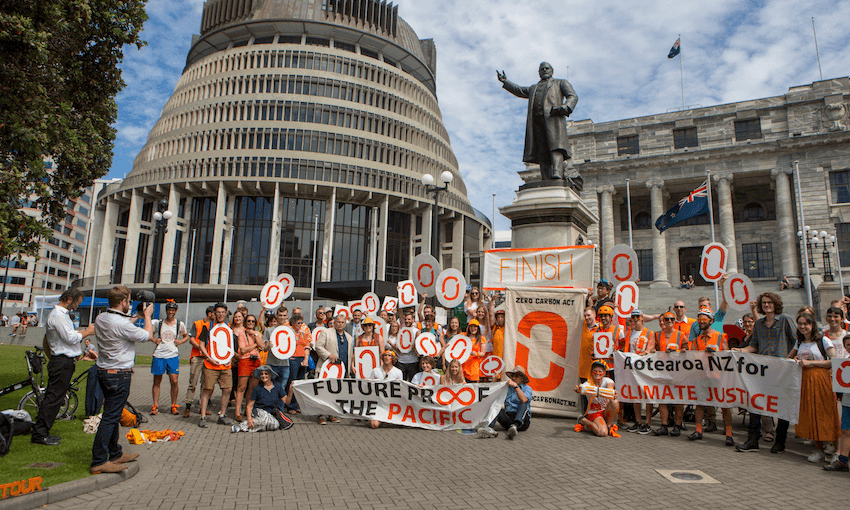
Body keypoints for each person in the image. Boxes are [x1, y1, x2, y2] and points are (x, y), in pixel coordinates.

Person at [90, 286, 153, 474]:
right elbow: (147, 336)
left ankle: (115, 453)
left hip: (104, 371)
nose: (130, 303)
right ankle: (99, 460)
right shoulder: (122, 324)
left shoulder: (101, 318)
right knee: (110, 417)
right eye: (128, 300)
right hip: (119, 374)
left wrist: (136, 315)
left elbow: (121, 324)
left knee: (113, 414)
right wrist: (147, 316)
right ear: (123, 302)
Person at [497, 62, 580, 188]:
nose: (545, 70)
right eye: (542, 69)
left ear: (552, 71)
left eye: (547, 68)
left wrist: (565, 107)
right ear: (539, 72)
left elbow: (572, 96)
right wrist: (506, 82)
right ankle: (546, 176)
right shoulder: (533, 88)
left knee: (556, 146)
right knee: (542, 150)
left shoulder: (560, 83)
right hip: (537, 122)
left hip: (553, 119)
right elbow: (519, 90)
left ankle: (557, 172)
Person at [31, 288, 96, 446]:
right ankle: (40, 434)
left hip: (63, 361)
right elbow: (70, 337)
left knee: (55, 397)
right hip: (62, 361)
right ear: (69, 299)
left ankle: (42, 431)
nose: (76, 307)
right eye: (76, 303)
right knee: (53, 398)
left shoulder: (61, 315)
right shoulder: (58, 315)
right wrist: (87, 332)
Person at [735, 292, 797, 453]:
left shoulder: (785, 320)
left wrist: (790, 359)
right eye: (764, 303)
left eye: (769, 302)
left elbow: (797, 341)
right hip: (763, 370)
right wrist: (739, 351)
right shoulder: (759, 324)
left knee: (782, 405)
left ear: (775, 304)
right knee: (755, 403)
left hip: (782, 370)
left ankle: (780, 441)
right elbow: (753, 346)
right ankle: (753, 438)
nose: (767, 305)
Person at [788, 311, 840, 463]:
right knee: (812, 414)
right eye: (801, 324)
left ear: (812, 325)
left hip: (822, 380)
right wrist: (796, 359)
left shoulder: (823, 341)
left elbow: (834, 361)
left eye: (806, 324)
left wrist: (812, 363)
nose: (803, 327)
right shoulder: (799, 343)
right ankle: (819, 449)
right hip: (805, 381)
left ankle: (837, 450)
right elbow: (788, 358)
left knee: (828, 413)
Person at [688, 308, 734, 445]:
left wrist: (717, 352)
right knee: (700, 404)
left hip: (719, 376)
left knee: (725, 405)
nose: (701, 322)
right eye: (699, 320)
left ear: (711, 321)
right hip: (702, 375)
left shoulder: (720, 336)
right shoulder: (696, 340)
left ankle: (729, 434)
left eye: (704, 319)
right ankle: (698, 430)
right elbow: (692, 357)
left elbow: (728, 354)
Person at [198, 303, 234, 428]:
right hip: (210, 365)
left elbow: (230, 345)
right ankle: (203, 416)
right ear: (214, 313)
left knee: (227, 389)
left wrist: (230, 358)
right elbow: (201, 344)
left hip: (225, 365)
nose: (220, 314)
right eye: (218, 312)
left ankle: (222, 415)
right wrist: (209, 357)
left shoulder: (228, 327)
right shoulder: (207, 326)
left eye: (223, 312)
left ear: (226, 313)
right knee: (207, 390)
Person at [150, 300, 188, 416]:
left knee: (174, 380)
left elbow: (186, 336)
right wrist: (154, 340)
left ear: (175, 311)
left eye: (173, 310)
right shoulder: (159, 323)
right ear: (166, 311)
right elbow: (148, 333)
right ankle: (155, 406)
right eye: (169, 310)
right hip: (159, 355)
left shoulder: (179, 324)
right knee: (157, 381)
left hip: (172, 355)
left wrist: (180, 341)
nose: (170, 312)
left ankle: (174, 405)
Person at [230, 365, 295, 433]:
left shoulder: (278, 386)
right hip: (258, 410)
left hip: (270, 412)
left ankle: (256, 426)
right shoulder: (257, 388)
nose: (263, 376)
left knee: (275, 425)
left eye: (266, 373)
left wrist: (290, 391)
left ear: (270, 375)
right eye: (261, 374)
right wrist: (249, 418)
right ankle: (241, 426)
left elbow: (286, 401)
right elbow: (249, 405)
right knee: (264, 419)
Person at [314, 314, 353, 425]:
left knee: (336, 392)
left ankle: (332, 414)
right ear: (334, 322)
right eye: (338, 322)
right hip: (327, 368)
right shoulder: (326, 332)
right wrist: (328, 355)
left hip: (341, 370)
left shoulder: (349, 337)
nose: (340, 324)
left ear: (345, 324)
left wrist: (349, 369)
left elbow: (350, 354)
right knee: (323, 392)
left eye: (342, 322)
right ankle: (321, 415)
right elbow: (318, 346)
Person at [652, 311, 686, 436]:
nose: (670, 321)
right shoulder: (658, 335)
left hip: (677, 372)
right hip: (662, 371)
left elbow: (688, 348)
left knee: (678, 400)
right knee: (662, 399)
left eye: (672, 319)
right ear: (663, 321)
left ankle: (677, 426)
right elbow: (654, 349)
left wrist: (683, 350)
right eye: (667, 319)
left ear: (675, 321)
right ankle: (664, 425)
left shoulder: (681, 335)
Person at [621, 310, 654, 434]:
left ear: (642, 318)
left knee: (647, 395)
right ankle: (638, 421)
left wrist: (644, 354)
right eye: (633, 317)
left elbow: (651, 348)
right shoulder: (629, 332)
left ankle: (648, 423)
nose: (635, 319)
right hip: (632, 368)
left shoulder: (649, 333)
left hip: (645, 369)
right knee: (635, 395)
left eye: (637, 317)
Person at [477, 366, 533, 439]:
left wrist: (516, 386)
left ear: (522, 378)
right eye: (512, 376)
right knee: (496, 405)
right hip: (509, 419)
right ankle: (489, 429)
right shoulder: (506, 387)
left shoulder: (527, 388)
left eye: (516, 376)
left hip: (522, 422)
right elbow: (490, 396)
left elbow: (524, 400)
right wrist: (494, 381)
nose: (513, 378)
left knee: (523, 404)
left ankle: (515, 426)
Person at [824, 334, 850, 471]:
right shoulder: (845, 362)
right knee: (845, 430)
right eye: (848, 345)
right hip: (847, 401)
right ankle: (843, 461)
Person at [574, 361, 620, 437]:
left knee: (615, 401)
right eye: (595, 371)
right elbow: (581, 389)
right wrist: (577, 389)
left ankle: (608, 426)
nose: (597, 373)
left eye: (600, 371)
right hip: (595, 412)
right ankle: (584, 420)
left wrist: (613, 393)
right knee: (602, 433)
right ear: (592, 373)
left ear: (604, 373)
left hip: (605, 410)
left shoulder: (607, 381)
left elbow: (610, 387)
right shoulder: (588, 384)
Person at [184, 306, 214, 417]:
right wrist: (202, 348)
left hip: (207, 358)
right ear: (210, 313)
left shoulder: (214, 326)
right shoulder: (197, 324)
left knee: (205, 384)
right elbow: (191, 340)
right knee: (193, 383)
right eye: (215, 313)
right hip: (197, 356)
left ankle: (203, 407)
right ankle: (188, 407)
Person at [234, 312, 264, 421]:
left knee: (252, 387)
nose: (250, 323)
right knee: (241, 387)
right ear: (245, 322)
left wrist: (255, 336)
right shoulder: (242, 334)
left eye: (252, 321)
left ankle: (248, 410)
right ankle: (237, 412)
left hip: (256, 361)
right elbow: (242, 350)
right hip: (245, 360)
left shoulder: (257, 334)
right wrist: (255, 345)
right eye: (248, 321)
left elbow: (262, 346)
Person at [368, 350, 404, 429]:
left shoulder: (398, 372)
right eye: (385, 355)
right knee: (374, 425)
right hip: (379, 402)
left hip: (392, 403)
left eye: (389, 356)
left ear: (393, 359)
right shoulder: (375, 371)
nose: (387, 357)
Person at [284, 313, 311, 414]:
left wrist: (306, 358)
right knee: (292, 382)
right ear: (293, 323)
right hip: (292, 359)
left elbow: (306, 346)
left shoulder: (303, 334)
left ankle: (296, 405)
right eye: (298, 323)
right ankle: (290, 406)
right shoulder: (289, 333)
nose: (300, 325)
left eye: (301, 323)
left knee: (299, 383)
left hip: (301, 359)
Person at [462, 319, 486, 383]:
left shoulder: (481, 338)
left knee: (473, 386)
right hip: (464, 364)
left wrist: (476, 354)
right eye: (471, 326)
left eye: (475, 326)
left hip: (474, 366)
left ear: (478, 328)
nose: (473, 328)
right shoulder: (463, 336)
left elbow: (483, 353)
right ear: (468, 327)